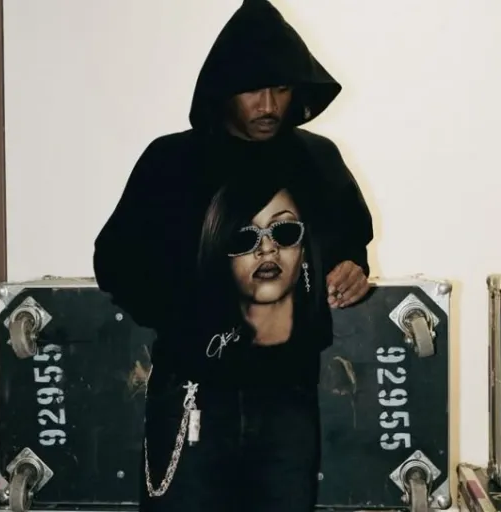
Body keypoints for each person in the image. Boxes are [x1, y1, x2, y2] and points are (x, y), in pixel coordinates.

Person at [93, 0, 374, 510]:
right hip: (193, 398)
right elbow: (115, 262)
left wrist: (352, 269)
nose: (268, 105)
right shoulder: (171, 161)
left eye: (281, 88)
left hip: (288, 400)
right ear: (223, 90)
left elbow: (348, 242)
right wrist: (186, 315)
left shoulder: (316, 160)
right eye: (252, 89)